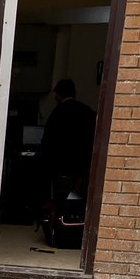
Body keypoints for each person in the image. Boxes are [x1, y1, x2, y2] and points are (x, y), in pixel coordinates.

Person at [38, 79, 96, 247]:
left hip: (59, 166)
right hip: (82, 166)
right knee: (78, 199)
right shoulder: (87, 111)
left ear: (57, 94)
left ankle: (58, 225)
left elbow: (48, 141)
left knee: (58, 198)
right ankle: (75, 226)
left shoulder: (58, 113)